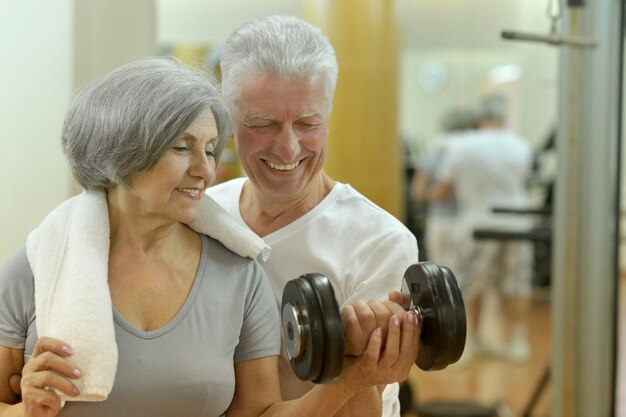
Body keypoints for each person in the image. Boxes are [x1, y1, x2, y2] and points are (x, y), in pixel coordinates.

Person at [0, 57, 419, 417]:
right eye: (182, 149)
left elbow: (260, 415)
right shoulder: (39, 268)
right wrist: (24, 409)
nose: (206, 170)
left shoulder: (239, 273)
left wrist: (354, 379)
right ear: (122, 153)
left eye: (211, 149)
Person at [206, 15, 420, 417]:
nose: (288, 149)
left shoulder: (381, 241)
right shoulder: (202, 215)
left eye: (307, 123)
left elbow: (360, 406)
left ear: (327, 116)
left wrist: (362, 364)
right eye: (263, 123)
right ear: (229, 121)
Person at [432, 93, 534, 364]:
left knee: (466, 284)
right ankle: (517, 342)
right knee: (517, 282)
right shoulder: (521, 146)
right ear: (504, 117)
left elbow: (445, 187)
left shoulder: (463, 146)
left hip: (477, 222)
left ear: (480, 117)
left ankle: (465, 346)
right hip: (518, 223)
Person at [410, 107, 476, 264]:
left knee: (438, 276)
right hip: (467, 221)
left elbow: (417, 192)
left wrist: (433, 195)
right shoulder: (473, 149)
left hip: (439, 221)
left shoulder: (435, 149)